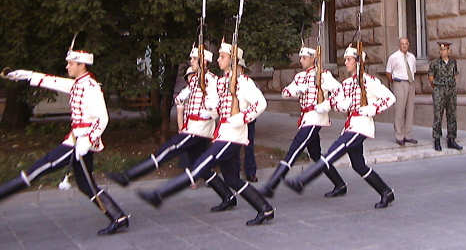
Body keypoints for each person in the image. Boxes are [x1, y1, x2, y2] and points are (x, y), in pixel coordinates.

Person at [138, 43, 275, 226]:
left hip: (232, 136)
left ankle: (160, 194)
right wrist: (210, 108)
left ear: (232, 61)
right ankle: (264, 208)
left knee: (201, 164)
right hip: (223, 133)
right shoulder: (222, 81)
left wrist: (242, 118)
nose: (218, 59)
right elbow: (217, 108)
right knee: (232, 179)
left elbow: (261, 104)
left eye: (222, 56)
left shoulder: (243, 82)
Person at [1, 48, 130, 235]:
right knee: (86, 185)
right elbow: (53, 81)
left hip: (80, 142)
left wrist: (88, 142)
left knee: (39, 168)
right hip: (76, 140)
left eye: (71, 63)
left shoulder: (91, 87)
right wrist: (27, 76)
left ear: (81, 65)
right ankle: (118, 218)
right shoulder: (78, 83)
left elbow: (103, 119)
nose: (67, 66)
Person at [108, 47, 236, 212]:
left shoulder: (211, 80)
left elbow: (215, 107)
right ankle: (228, 197)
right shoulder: (197, 79)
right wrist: (182, 98)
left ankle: (127, 177)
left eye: (194, 59)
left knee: (168, 149)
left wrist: (207, 107)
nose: (191, 62)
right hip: (194, 128)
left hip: (198, 130)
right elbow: (185, 94)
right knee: (202, 169)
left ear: (203, 62)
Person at [285, 45, 396, 209]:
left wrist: (372, 108)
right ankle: (386, 191)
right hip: (351, 125)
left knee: (333, 152)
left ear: (358, 62)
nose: (345, 62)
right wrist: (326, 106)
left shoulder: (369, 81)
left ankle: (303, 180)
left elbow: (390, 98)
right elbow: (338, 100)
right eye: (346, 59)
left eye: (349, 59)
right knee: (359, 165)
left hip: (361, 126)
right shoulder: (348, 82)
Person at [259, 45, 346, 198]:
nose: (301, 60)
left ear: (313, 58)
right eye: (300, 58)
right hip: (305, 117)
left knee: (295, 148)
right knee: (316, 155)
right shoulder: (299, 76)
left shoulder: (323, 74)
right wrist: (296, 90)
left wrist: (326, 105)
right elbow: (285, 92)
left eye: (304, 58)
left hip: (316, 117)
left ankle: (272, 184)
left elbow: (340, 90)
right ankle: (340, 184)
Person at [428, 41, 463, 152]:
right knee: (438, 115)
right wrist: (437, 87)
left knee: (452, 115)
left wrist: (451, 85)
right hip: (439, 90)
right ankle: (437, 139)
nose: (442, 52)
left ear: (449, 51)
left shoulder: (453, 62)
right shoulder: (435, 63)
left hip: (451, 91)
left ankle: (451, 139)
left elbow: (455, 74)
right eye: (441, 50)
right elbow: (431, 77)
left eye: (444, 50)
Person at [385, 37, 417, 146]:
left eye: (406, 44)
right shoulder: (393, 57)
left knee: (410, 110)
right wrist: (394, 83)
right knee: (399, 110)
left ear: (408, 45)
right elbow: (388, 72)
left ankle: (407, 135)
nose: (404, 45)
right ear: (399, 45)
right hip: (399, 83)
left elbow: (413, 71)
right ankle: (399, 136)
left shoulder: (412, 57)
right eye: (402, 44)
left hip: (410, 83)